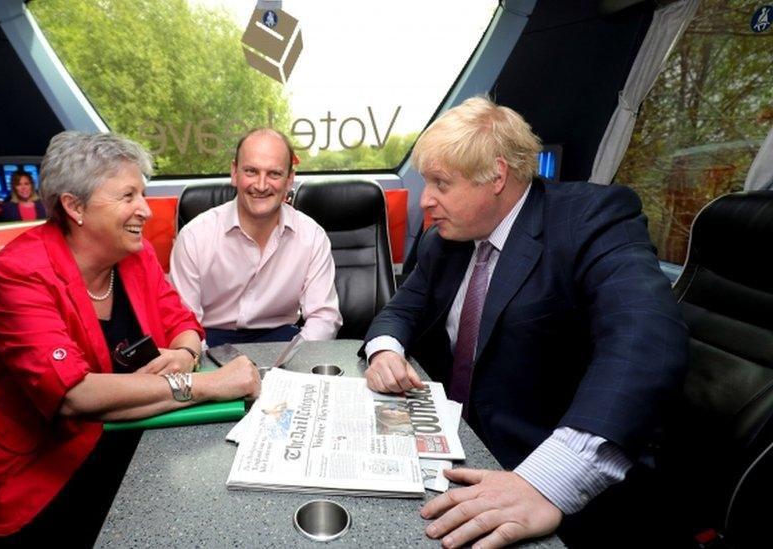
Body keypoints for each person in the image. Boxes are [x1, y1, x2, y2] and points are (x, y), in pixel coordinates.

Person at [362, 96, 687, 547]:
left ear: (497, 175)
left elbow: (645, 337)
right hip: (454, 441)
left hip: (537, 466)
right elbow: (402, 309)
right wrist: (385, 351)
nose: (426, 201)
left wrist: (549, 480)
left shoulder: (591, 219)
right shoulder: (445, 241)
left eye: (440, 183)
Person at [0, 131, 261, 547]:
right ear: (74, 206)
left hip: (122, 446)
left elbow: (183, 321)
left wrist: (183, 352)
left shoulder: (136, 254)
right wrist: (206, 384)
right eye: (128, 196)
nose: (145, 210)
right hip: (32, 478)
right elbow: (73, 394)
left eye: (142, 194)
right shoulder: (20, 272)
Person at [169, 128, 342, 346]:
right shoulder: (194, 237)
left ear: (289, 179)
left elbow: (324, 317)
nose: (261, 185)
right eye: (251, 171)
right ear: (234, 172)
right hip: (209, 341)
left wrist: (289, 362)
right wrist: (210, 373)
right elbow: (184, 323)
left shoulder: (312, 236)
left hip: (282, 341)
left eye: (274, 174)